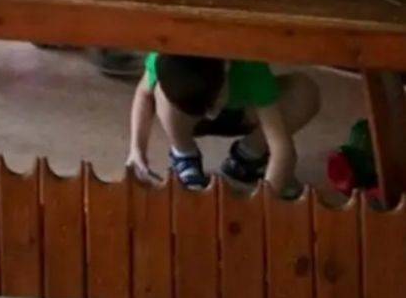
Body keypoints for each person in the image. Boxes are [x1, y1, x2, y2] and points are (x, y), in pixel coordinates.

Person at [126, 52, 320, 196]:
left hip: (242, 113)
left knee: (304, 93)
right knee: (160, 93)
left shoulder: (249, 65)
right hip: (186, 119)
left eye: (214, 103)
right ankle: (184, 154)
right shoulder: (165, 56)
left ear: (227, 67)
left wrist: (265, 202)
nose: (210, 115)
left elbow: (282, 150)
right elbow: (143, 94)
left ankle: (249, 157)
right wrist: (136, 149)